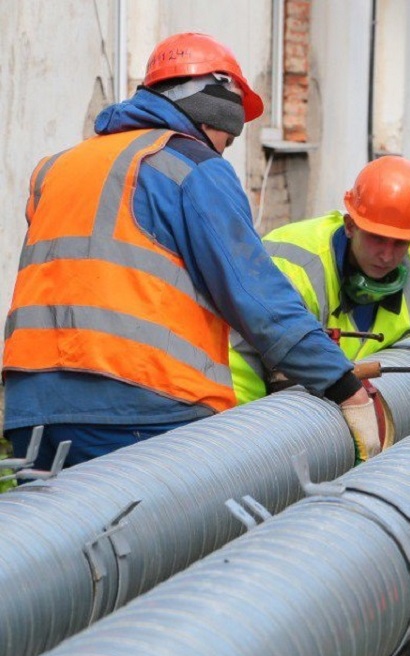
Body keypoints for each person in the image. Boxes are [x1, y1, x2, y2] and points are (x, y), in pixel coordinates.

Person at [2, 32, 388, 469]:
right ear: (216, 106)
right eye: (229, 135)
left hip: (29, 408)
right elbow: (258, 297)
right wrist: (342, 384)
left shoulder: (57, 168)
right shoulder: (193, 168)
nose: (224, 147)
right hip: (141, 406)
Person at [229, 156, 410, 410]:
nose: (387, 255)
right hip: (242, 410)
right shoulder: (293, 268)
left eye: (400, 242)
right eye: (377, 238)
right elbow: (277, 376)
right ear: (350, 226)